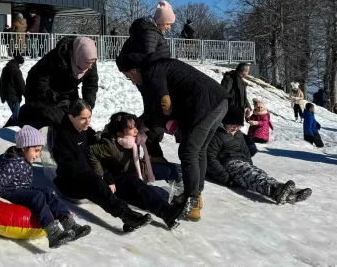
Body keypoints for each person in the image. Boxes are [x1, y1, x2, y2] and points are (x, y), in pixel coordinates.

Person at [117, 54, 229, 222]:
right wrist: (146, 122)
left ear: (133, 70)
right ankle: (195, 196)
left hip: (204, 105)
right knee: (199, 150)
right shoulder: (161, 66)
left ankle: (191, 201)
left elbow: (161, 108)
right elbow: (157, 110)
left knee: (188, 151)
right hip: (219, 101)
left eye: (128, 76)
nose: (131, 80)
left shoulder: (151, 71)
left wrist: (142, 125)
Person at [0, 126, 91, 249]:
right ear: (24, 147)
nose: (37, 155)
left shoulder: (23, 157)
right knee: (38, 196)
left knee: (48, 191)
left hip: (23, 188)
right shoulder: (11, 163)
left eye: (39, 151)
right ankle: (53, 233)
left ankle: (69, 223)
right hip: (9, 192)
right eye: (36, 150)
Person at [51, 100, 152, 233]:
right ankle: (126, 215)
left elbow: (100, 159)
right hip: (70, 184)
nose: (88, 122)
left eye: (89, 117)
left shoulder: (87, 132)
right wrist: (99, 177)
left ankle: (133, 213)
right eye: (83, 119)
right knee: (94, 181)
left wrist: (108, 178)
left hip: (89, 177)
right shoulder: (63, 138)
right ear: (71, 117)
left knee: (115, 180)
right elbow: (73, 169)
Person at [86, 113, 184, 230]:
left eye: (135, 127)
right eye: (131, 128)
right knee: (148, 192)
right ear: (119, 133)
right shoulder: (109, 145)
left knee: (173, 170)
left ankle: (184, 196)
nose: (136, 130)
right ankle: (167, 210)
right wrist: (102, 176)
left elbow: (149, 123)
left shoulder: (135, 139)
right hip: (122, 180)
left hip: (140, 171)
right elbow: (90, 152)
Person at [207, 105, 311, 204]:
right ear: (225, 122)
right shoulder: (217, 135)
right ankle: (275, 191)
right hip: (229, 164)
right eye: (232, 125)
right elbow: (210, 159)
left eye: (238, 126)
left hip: (242, 162)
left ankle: (286, 191)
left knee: (258, 173)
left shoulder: (238, 134)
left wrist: (250, 164)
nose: (235, 128)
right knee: (251, 177)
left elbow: (246, 152)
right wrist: (225, 178)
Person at [18, 36, 98, 129]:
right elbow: (39, 80)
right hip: (40, 91)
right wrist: (55, 99)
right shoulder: (57, 58)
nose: (90, 66)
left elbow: (91, 84)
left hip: (68, 90)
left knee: (74, 117)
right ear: (78, 56)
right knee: (52, 118)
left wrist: (88, 103)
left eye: (93, 62)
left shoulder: (89, 59)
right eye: (88, 62)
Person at [0, 52, 26, 127]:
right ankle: (10, 130)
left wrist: (2, 96)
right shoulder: (16, 71)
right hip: (14, 97)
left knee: (15, 114)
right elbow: (21, 85)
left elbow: (1, 83)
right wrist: (27, 95)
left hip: (8, 96)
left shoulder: (6, 68)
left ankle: (6, 129)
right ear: (19, 63)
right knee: (16, 117)